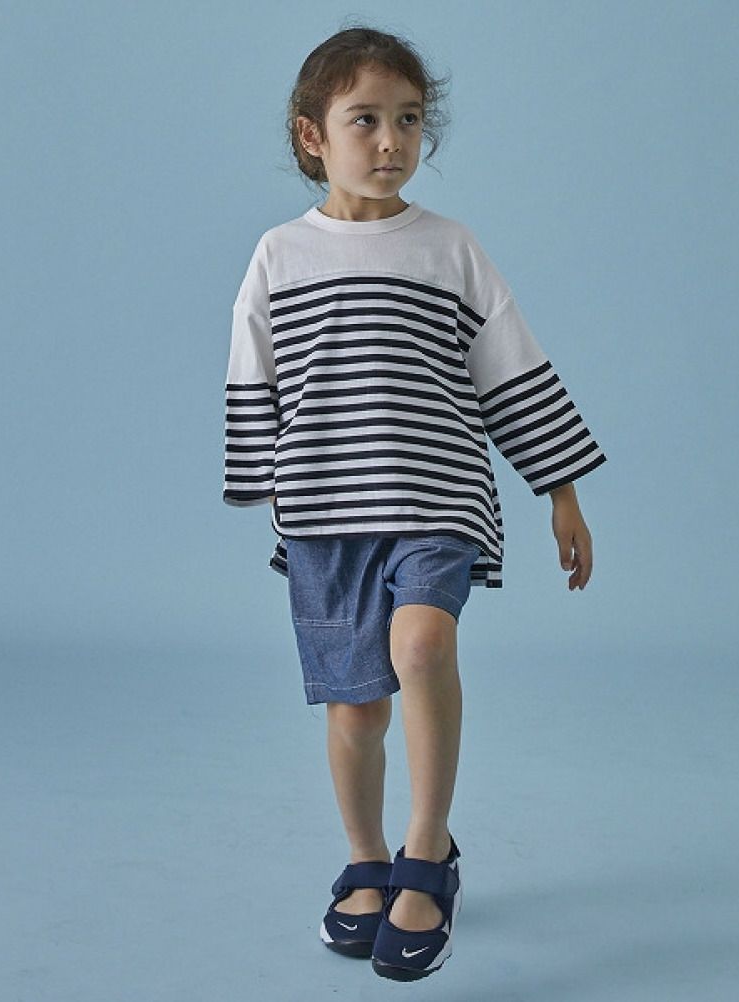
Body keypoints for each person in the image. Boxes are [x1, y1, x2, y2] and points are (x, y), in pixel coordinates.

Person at [222, 24, 606, 982]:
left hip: (437, 499)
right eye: (366, 120)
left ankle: (427, 852)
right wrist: (261, 484)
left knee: (424, 646)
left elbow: (510, 370)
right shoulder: (279, 256)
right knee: (356, 713)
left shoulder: (449, 248)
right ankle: (367, 858)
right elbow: (253, 378)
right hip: (325, 519)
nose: (391, 140)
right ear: (312, 134)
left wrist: (560, 491)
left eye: (409, 119)